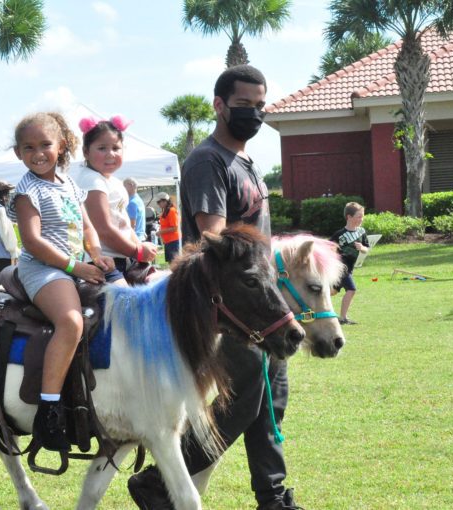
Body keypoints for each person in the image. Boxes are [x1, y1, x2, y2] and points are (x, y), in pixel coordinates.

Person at [128, 65, 302, 510]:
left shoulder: (245, 162)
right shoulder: (207, 160)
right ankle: (159, 484)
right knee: (240, 403)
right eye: (244, 105)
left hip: (262, 297)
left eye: (260, 106)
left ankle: (274, 497)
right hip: (233, 306)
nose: (254, 114)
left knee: (269, 403)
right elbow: (216, 238)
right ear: (219, 106)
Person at [7, 112, 115, 452]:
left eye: (45, 145)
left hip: (73, 265)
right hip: (43, 268)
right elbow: (33, 242)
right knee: (70, 322)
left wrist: (96, 254)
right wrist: (76, 267)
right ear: (18, 153)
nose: (37, 153)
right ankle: (49, 408)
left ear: (62, 146)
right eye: (28, 147)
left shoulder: (68, 183)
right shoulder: (26, 192)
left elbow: (86, 228)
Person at [74, 116, 158, 282]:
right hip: (103, 260)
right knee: (125, 303)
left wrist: (139, 248)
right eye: (102, 148)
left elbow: (124, 224)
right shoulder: (92, 180)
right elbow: (103, 229)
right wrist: (137, 251)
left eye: (116, 148)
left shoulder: (114, 182)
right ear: (85, 152)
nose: (110, 154)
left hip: (124, 258)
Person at [329, 202, 370, 325]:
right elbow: (328, 248)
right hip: (340, 267)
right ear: (349, 217)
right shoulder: (339, 235)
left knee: (332, 292)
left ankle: (311, 305)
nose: (361, 219)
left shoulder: (361, 232)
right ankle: (343, 318)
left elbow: (367, 249)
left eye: (362, 216)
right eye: (358, 216)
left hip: (350, 268)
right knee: (351, 290)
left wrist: (362, 247)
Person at [155, 192, 181, 263]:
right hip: (168, 241)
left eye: (159, 202)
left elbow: (175, 228)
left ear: (164, 201)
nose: (158, 204)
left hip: (174, 241)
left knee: (175, 263)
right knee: (171, 263)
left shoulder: (172, 211)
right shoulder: (166, 211)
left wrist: (161, 232)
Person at [124, 177, 148, 241]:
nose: (123, 188)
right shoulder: (139, 200)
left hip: (134, 238)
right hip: (141, 236)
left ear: (131, 185)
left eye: (124, 186)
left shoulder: (131, 202)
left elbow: (132, 224)